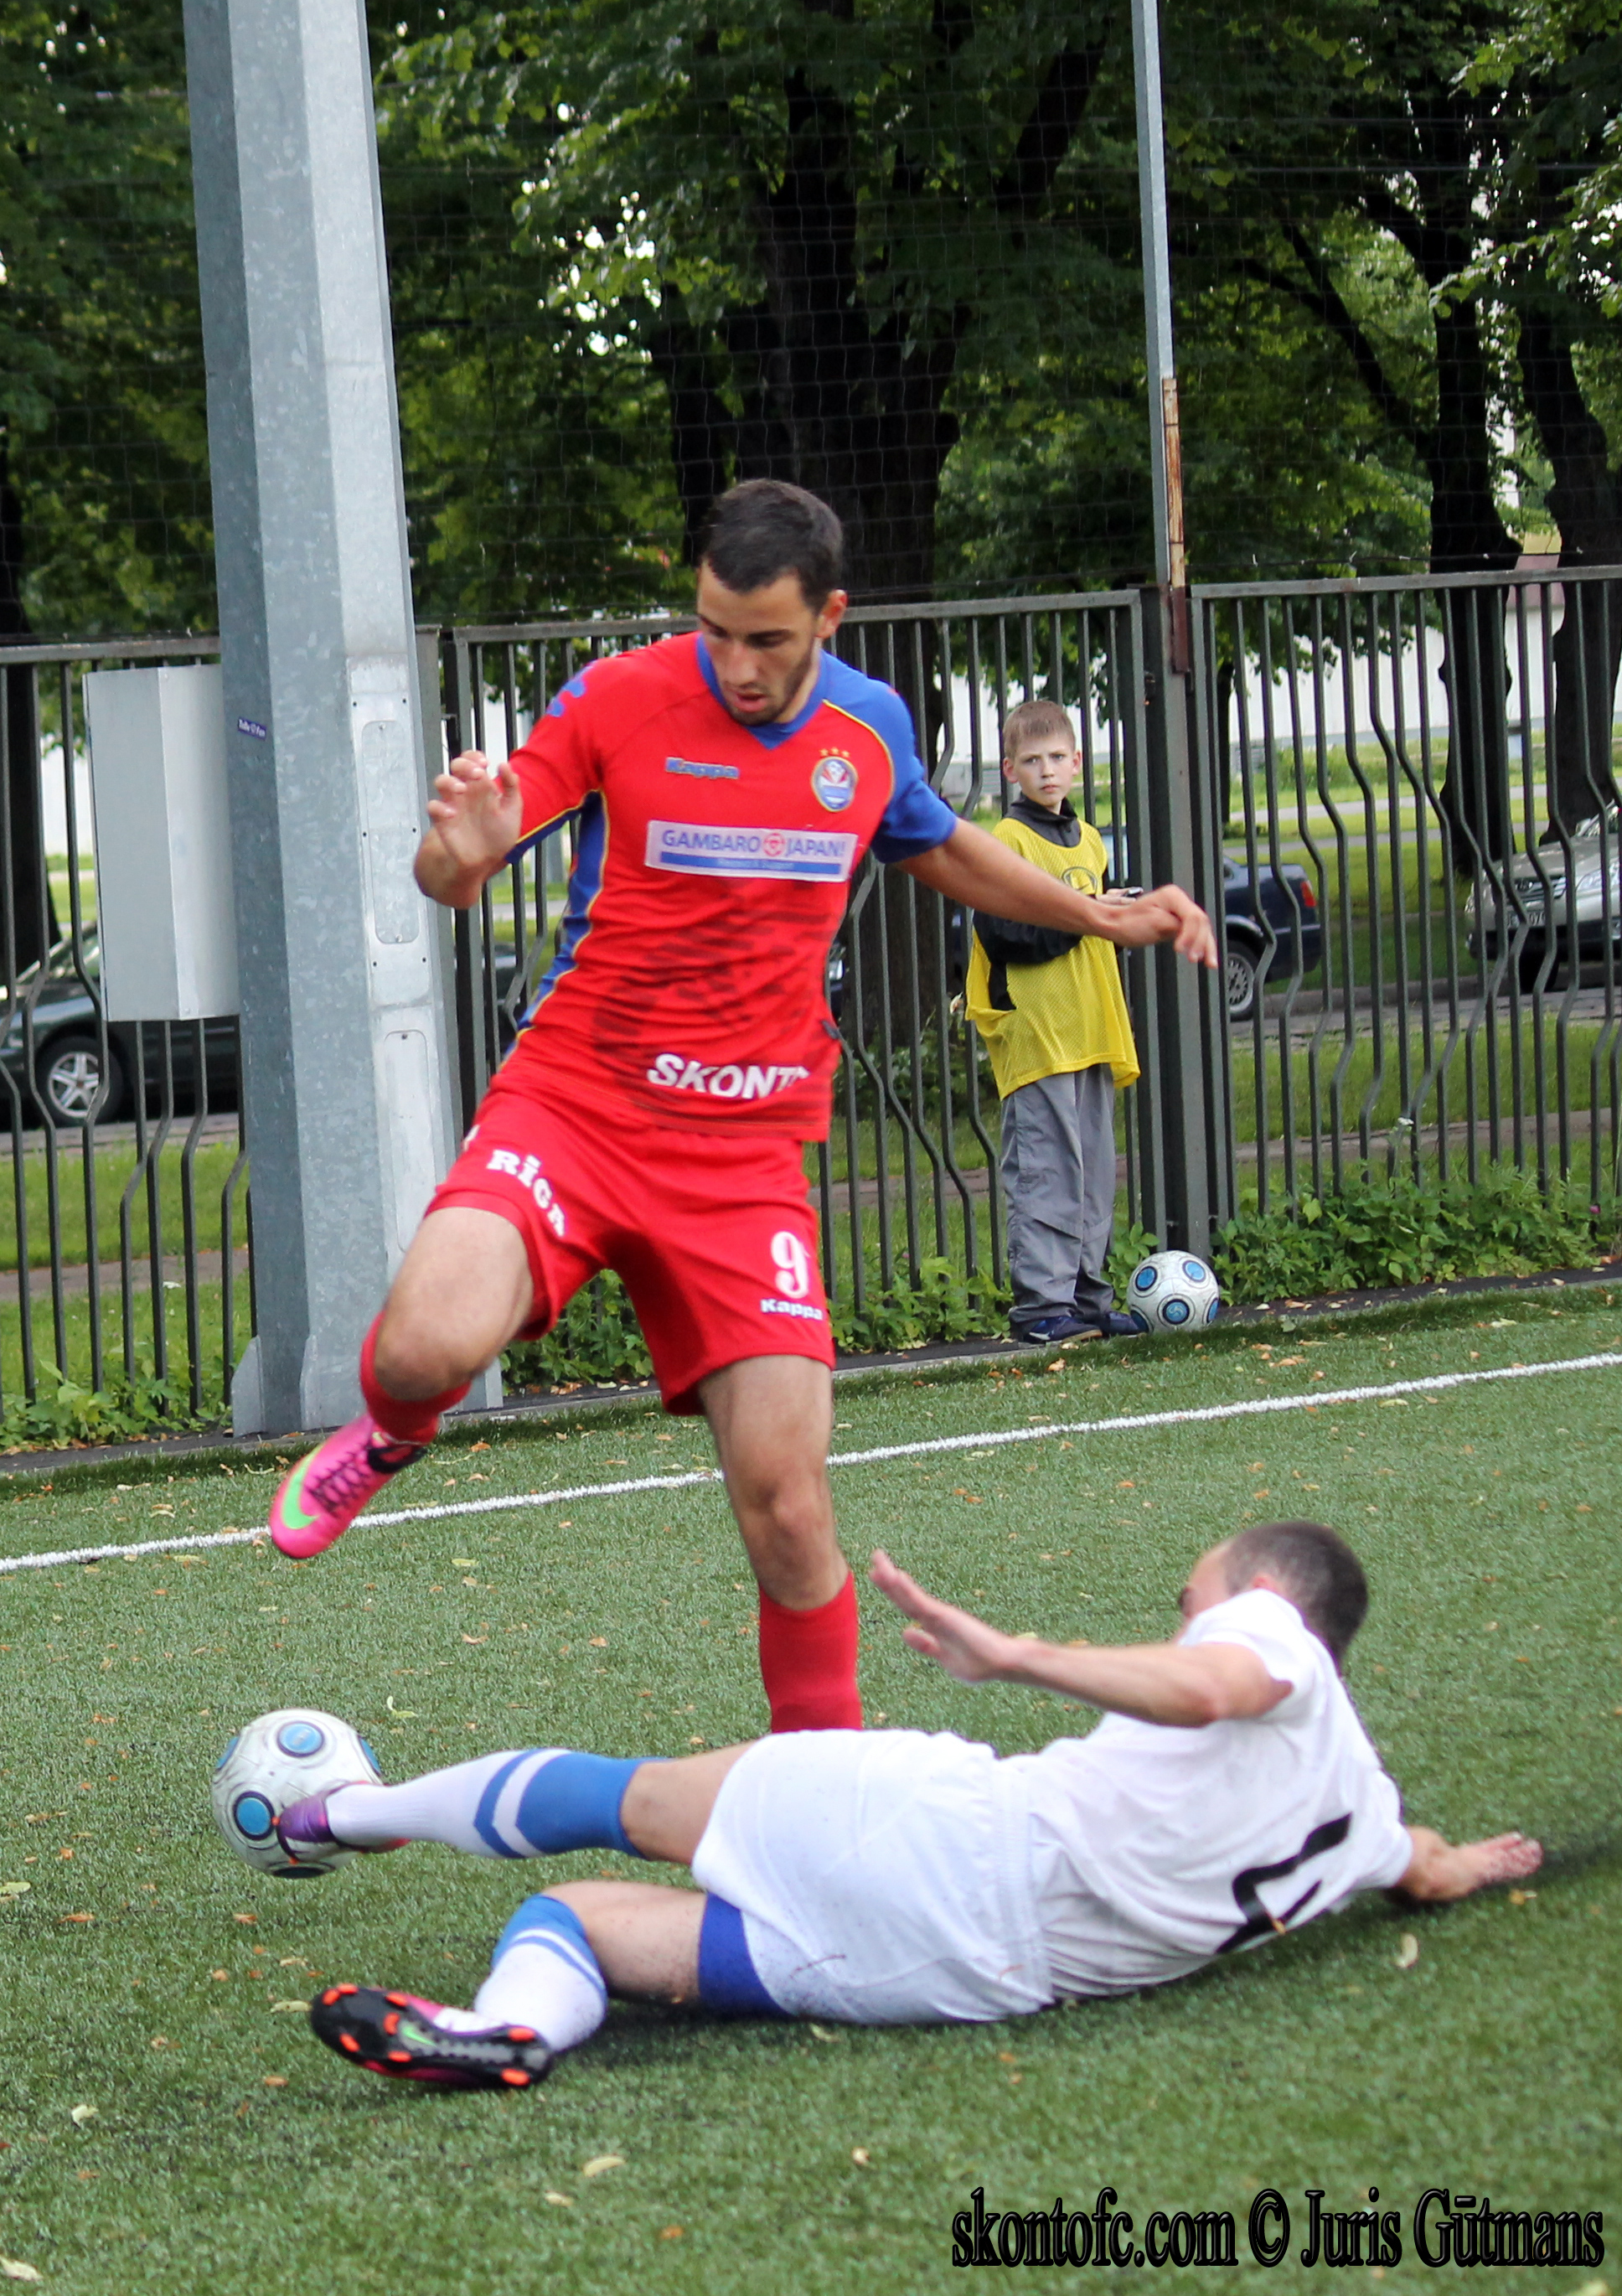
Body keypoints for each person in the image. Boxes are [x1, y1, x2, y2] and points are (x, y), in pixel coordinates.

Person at [267, 480, 1216, 1736]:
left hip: (744, 1155)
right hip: (579, 1104)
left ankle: (824, 1781)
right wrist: (463, 847)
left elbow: (937, 843)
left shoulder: (868, 727)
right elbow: (451, 871)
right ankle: (391, 1434)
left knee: (789, 1505)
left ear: (830, 616)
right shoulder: (617, 697)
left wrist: (1100, 912)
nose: (736, 665)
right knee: (420, 1351)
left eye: (766, 638)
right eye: (714, 630)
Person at [280, 1521, 1542, 2091]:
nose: (1186, 1619)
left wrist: (1022, 1656)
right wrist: (1479, 1864)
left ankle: (332, 1817)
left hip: (950, 1838)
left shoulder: (1274, 1633)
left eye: (1191, 1599)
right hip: (955, 1980)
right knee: (576, 1919)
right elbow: (1422, 1866)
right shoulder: (1364, 1817)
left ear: (1266, 1592)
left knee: (621, 1798)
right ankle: (513, 2033)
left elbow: (1218, 1685)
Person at [966, 699, 1144, 1345]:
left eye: (1057, 758)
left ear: (1077, 763)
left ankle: (1086, 1299)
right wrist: (1086, 911)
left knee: (1093, 1173)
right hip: (1037, 1035)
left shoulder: (1091, 840)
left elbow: (1095, 928)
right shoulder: (1007, 843)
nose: (1046, 771)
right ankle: (1041, 1306)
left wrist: (1118, 914)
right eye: (1032, 760)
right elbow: (1007, 932)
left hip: (1090, 1031)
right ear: (1010, 770)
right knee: (1047, 1170)